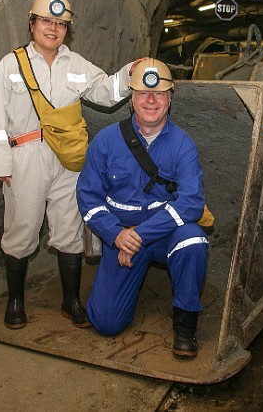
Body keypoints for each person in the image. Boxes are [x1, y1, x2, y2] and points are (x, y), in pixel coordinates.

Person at [0, 0, 139, 330]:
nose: (53, 29)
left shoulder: (76, 64)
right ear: (32, 23)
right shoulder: (11, 65)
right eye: (46, 21)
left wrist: (130, 73)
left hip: (67, 160)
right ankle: (15, 301)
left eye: (61, 24)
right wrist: (0, 167)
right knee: (22, 230)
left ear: (67, 30)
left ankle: (70, 301)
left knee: (69, 230)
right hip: (25, 156)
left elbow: (106, 93)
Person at [76, 59, 209, 358]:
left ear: (170, 99)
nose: (151, 100)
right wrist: (117, 236)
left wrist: (139, 234)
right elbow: (88, 196)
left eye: (159, 94)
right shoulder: (107, 141)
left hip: (163, 235)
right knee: (106, 323)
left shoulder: (182, 145)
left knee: (193, 240)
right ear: (132, 98)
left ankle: (186, 326)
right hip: (121, 237)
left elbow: (191, 203)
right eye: (143, 93)